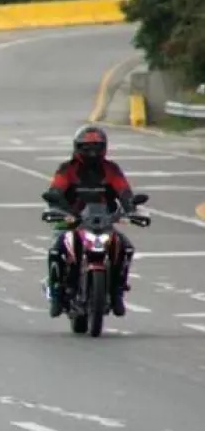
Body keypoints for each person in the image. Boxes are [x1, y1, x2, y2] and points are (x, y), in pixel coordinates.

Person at [42, 124, 138, 317]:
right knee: (56, 248)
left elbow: (124, 191)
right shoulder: (67, 169)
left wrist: (130, 208)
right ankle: (56, 291)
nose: (92, 153)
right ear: (77, 148)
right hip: (71, 220)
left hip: (103, 222)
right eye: (87, 148)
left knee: (126, 247)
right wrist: (60, 207)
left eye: (97, 147)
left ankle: (117, 291)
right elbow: (55, 190)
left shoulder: (111, 169)